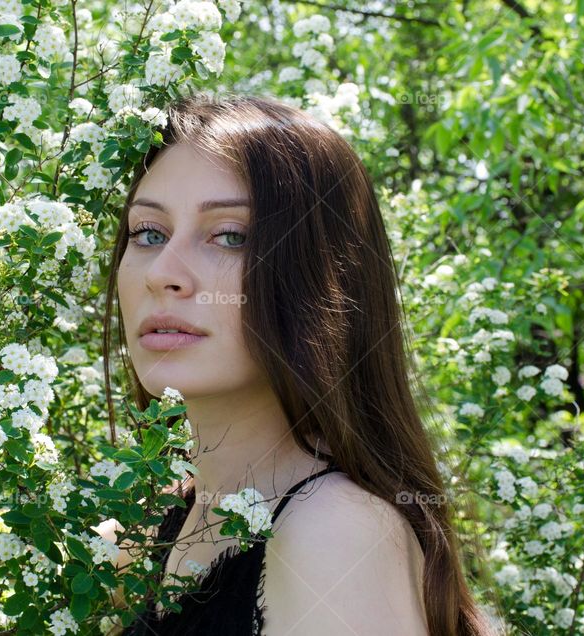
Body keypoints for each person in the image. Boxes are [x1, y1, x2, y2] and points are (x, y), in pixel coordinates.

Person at [96, 92, 498, 635]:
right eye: (148, 233)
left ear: (321, 278)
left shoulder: (335, 535)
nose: (162, 272)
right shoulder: (160, 516)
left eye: (231, 236)